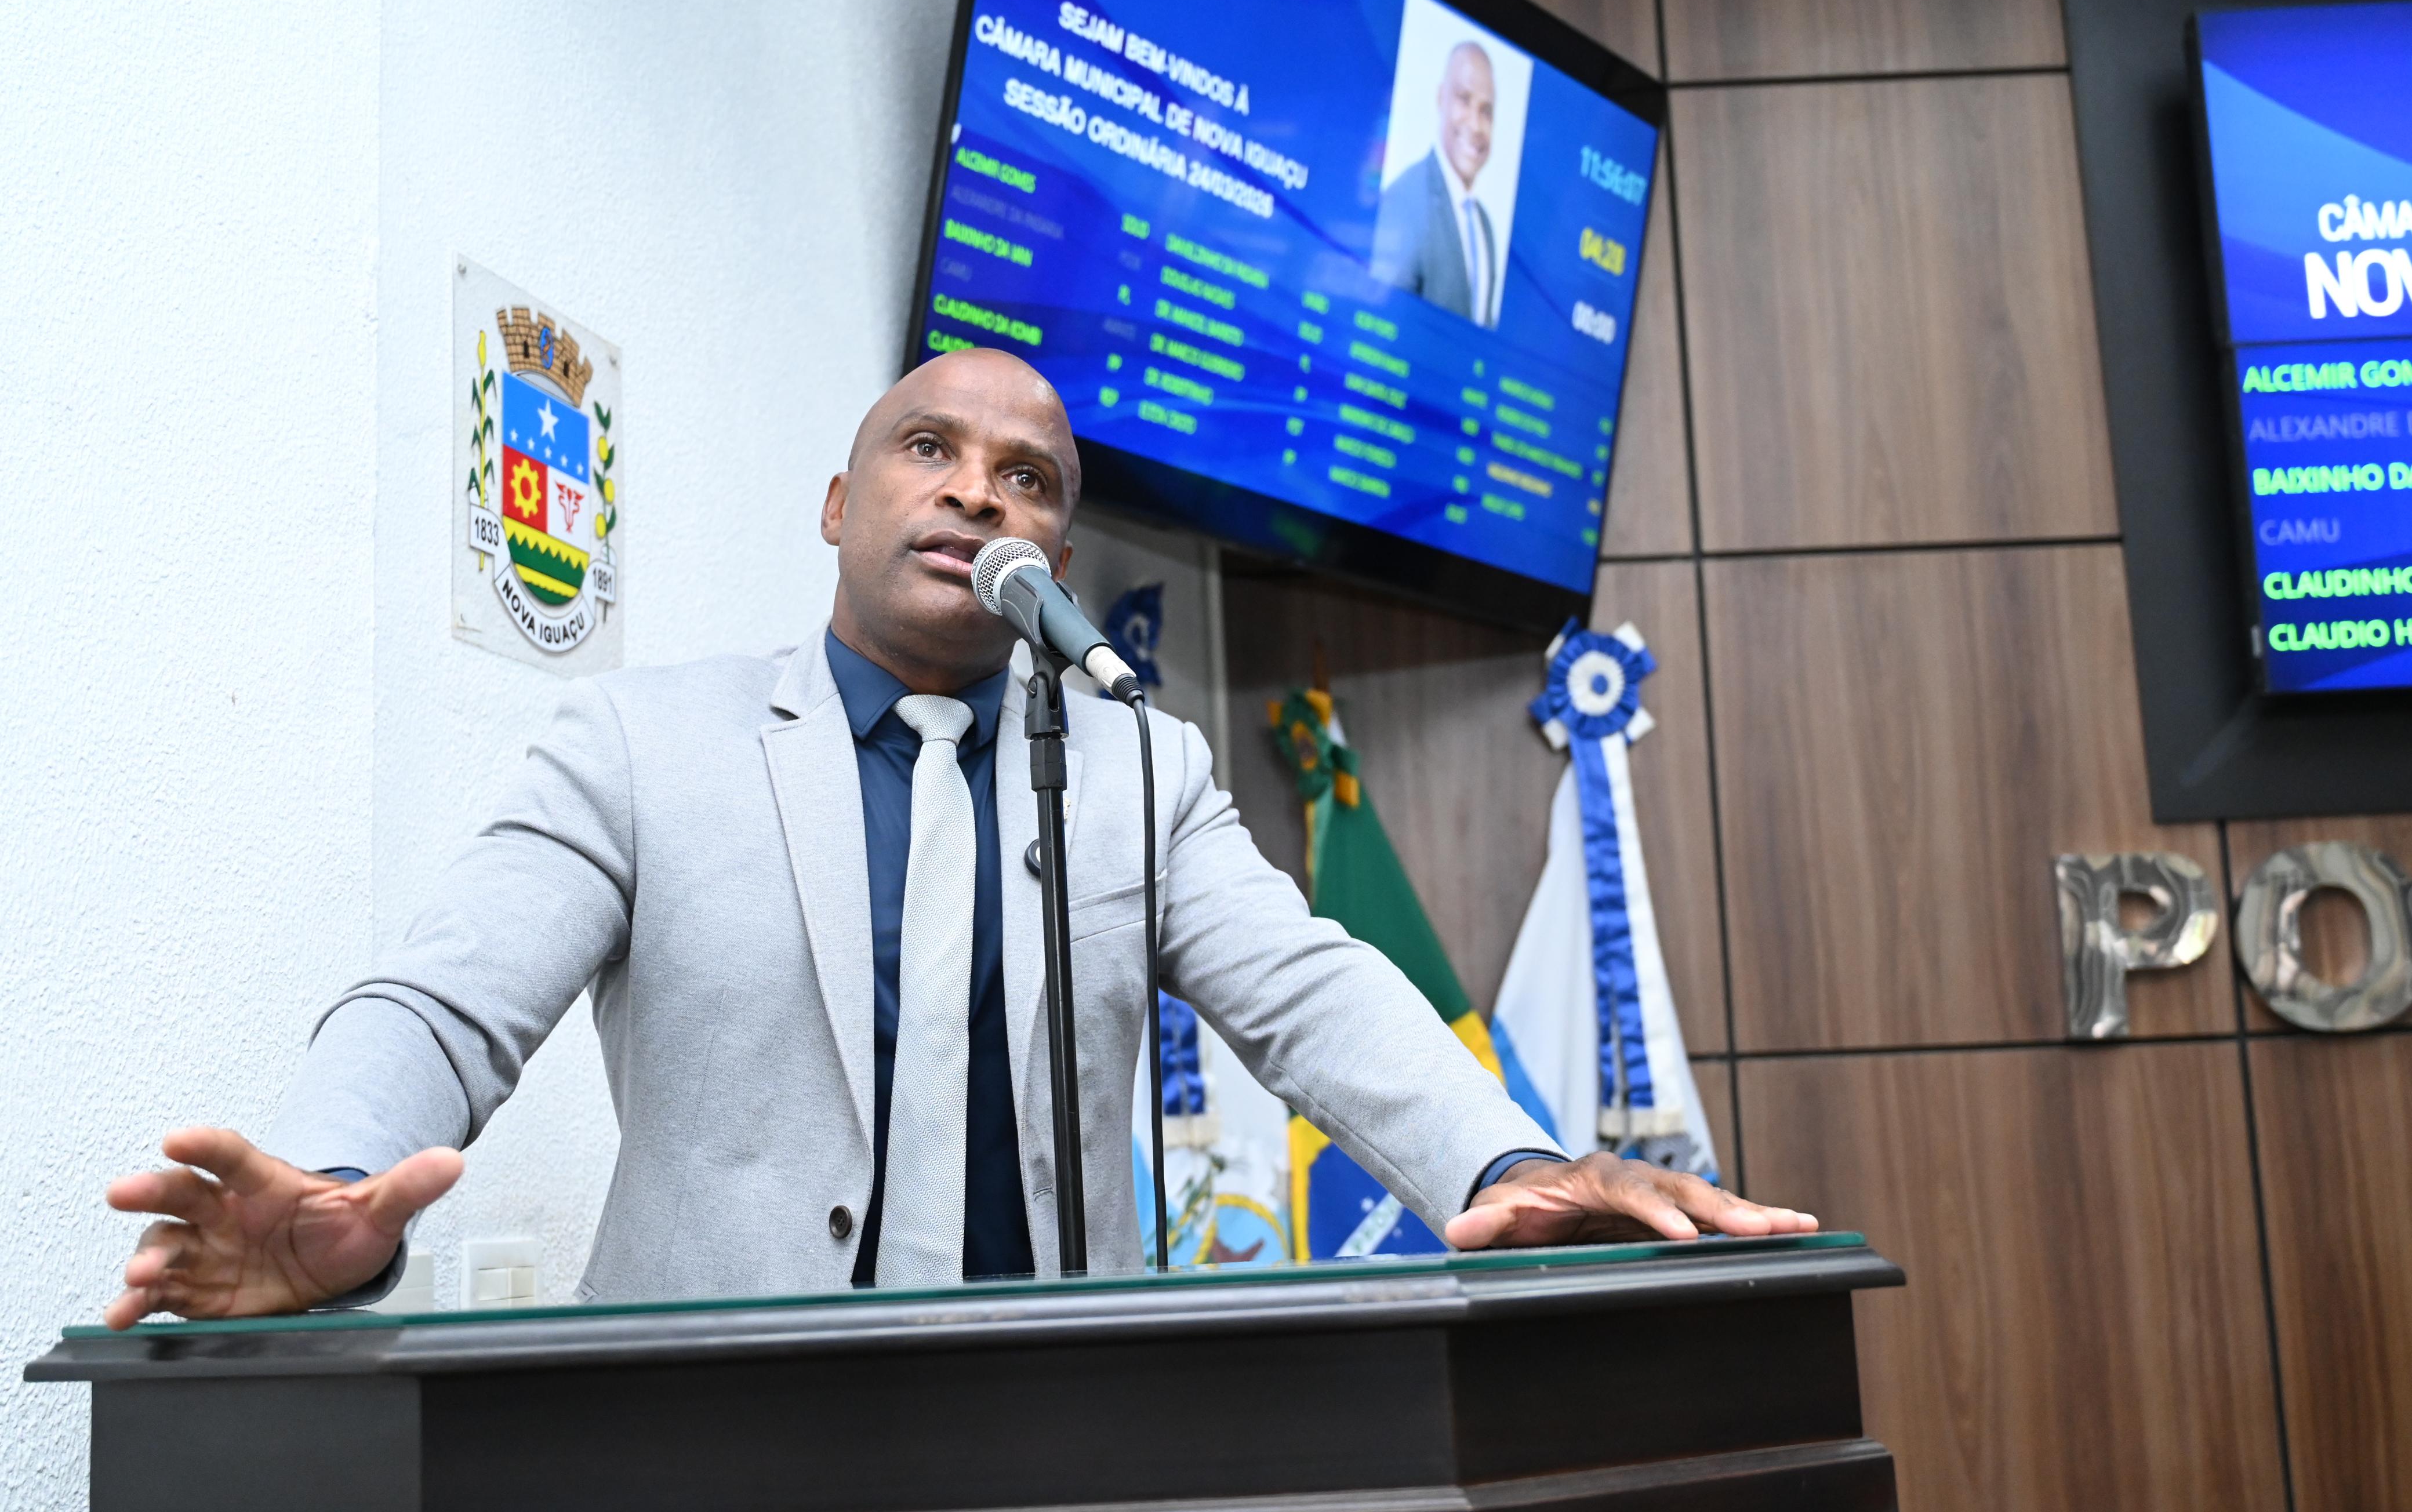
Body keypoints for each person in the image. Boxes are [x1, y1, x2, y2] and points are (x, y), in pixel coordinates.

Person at [101, 348, 1814, 1328]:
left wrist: (1504, 1164)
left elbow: (1312, 992)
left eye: (1029, 477)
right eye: (928, 449)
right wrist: (329, 1177)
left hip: (1066, 1435)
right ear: (839, 506)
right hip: (706, 1436)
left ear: (1051, 557)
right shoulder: (643, 745)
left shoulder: (1139, 769)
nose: (979, 488)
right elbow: (443, 1002)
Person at [1371, 41, 1503, 328]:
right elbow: (1384, 319)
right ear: (1441, 98)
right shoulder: (1404, 200)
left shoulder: (1485, 226)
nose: (1475, 125)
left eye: (1486, 111)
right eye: (1464, 100)